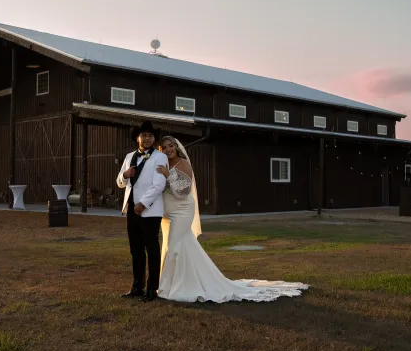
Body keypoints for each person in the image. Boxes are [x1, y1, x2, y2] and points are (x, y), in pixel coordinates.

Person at [155, 136, 308, 303]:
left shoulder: (183, 164)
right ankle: (174, 283)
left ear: (177, 147)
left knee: (174, 245)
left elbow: (184, 191)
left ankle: (172, 288)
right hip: (167, 213)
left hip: (183, 210)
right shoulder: (163, 164)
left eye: (171, 146)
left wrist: (168, 175)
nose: (168, 149)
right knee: (175, 245)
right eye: (164, 147)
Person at [116, 121, 170, 302]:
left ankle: (152, 289)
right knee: (136, 250)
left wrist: (143, 204)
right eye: (144, 135)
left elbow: (159, 185)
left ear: (154, 139)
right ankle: (137, 287)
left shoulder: (160, 157)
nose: (147, 139)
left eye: (150, 136)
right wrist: (124, 175)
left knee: (152, 249)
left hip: (150, 211)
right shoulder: (129, 156)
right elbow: (120, 182)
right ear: (137, 137)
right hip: (131, 209)